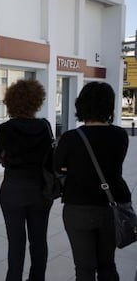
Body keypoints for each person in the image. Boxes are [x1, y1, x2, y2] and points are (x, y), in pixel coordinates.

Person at [54, 82, 131, 280]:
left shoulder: (70, 138)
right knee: (107, 265)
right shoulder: (121, 135)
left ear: (81, 106)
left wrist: (74, 168)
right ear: (109, 106)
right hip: (111, 207)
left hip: (77, 208)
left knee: (84, 268)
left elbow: (58, 168)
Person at [0, 79, 53, 281]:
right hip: (40, 190)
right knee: (39, 241)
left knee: (16, 242)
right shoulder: (45, 127)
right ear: (37, 101)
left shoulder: (5, 129)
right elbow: (51, 158)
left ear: (10, 102)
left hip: (12, 189)